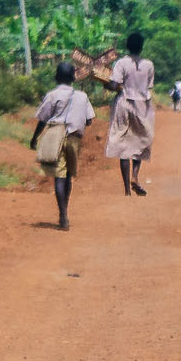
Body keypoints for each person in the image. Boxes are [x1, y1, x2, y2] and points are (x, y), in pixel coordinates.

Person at [30, 58, 95, 230]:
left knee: (59, 176)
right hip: (74, 138)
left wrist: (35, 137)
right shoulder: (82, 96)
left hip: (56, 136)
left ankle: (63, 215)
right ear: (74, 78)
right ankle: (65, 212)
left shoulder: (52, 95)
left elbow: (42, 119)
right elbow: (89, 120)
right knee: (68, 176)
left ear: (56, 77)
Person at [104, 29, 156, 197]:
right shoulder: (148, 65)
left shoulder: (121, 63)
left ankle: (127, 189)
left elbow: (114, 85)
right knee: (140, 141)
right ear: (141, 47)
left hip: (124, 103)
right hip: (142, 105)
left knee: (123, 144)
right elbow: (148, 86)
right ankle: (135, 176)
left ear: (127, 46)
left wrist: (105, 84)